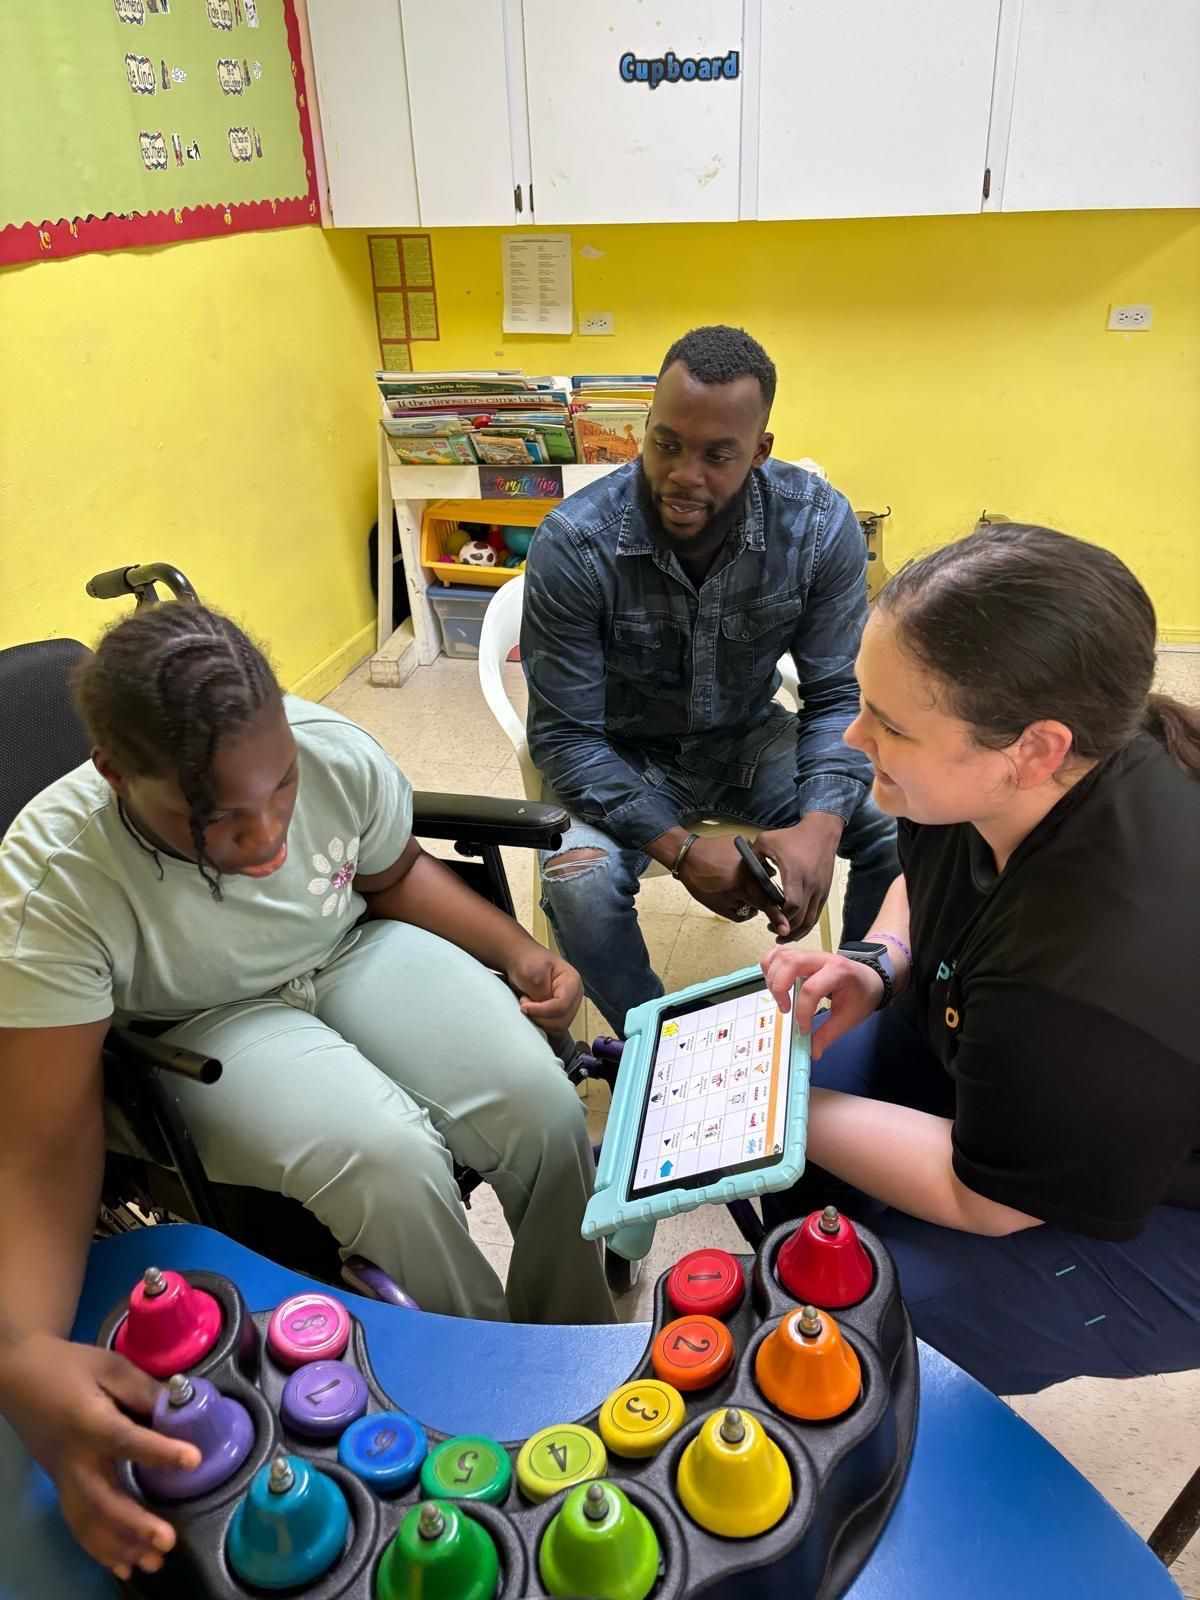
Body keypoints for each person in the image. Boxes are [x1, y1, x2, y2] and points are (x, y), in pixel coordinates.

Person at [0, 600, 613, 1582]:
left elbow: (394, 873)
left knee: (541, 1105)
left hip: (349, 946)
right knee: (386, 1161)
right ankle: (488, 1393)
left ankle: (577, 1350)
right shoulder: (53, 881)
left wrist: (518, 953)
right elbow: (41, 1147)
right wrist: (19, 1349)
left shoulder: (329, 750)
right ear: (114, 776)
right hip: (205, 1017)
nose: (270, 839)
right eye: (218, 820)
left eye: (280, 787)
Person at [757, 522, 1200, 1395]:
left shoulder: (1101, 968)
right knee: (808, 1152)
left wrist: (769, 1113)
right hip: (1024, 1045)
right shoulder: (1012, 773)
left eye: (890, 726)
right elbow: (926, 876)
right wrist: (881, 960)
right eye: (864, 703)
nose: (852, 738)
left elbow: (988, 1198)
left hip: (1163, 1209)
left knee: (871, 1323)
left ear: (1035, 749)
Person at [522, 325, 899, 1031]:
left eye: (717, 455)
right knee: (578, 884)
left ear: (759, 451)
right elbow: (565, 739)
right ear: (645, 428)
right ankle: (657, 1048)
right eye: (665, 444)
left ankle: (854, 1015)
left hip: (749, 738)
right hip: (619, 755)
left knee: (900, 825)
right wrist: (683, 852)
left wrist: (821, 825)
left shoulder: (818, 527)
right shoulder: (575, 543)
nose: (683, 475)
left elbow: (839, 695)